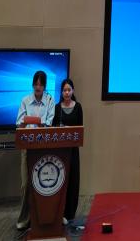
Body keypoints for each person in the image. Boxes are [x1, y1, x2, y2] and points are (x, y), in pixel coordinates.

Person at [15, 70, 55, 230]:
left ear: (44, 86)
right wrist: (27, 122)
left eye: (41, 84)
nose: (38, 87)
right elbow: (19, 124)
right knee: (26, 184)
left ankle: (41, 219)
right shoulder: (25, 100)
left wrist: (39, 122)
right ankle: (24, 219)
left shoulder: (50, 100)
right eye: (36, 84)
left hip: (43, 147)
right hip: (27, 147)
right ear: (32, 84)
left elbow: (49, 123)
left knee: (44, 183)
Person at [52, 78, 83, 224]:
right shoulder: (57, 108)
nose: (67, 92)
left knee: (73, 179)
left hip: (73, 150)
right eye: (64, 90)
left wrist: (69, 130)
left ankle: (70, 212)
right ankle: (59, 211)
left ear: (73, 91)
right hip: (60, 150)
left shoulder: (78, 107)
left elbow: (80, 129)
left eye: (69, 90)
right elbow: (53, 128)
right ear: (61, 92)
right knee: (60, 179)